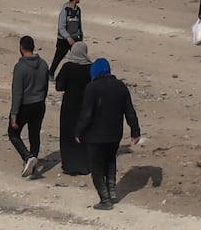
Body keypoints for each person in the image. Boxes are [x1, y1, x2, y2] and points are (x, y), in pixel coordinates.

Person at [75, 58, 141, 210]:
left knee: (96, 167)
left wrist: (78, 131)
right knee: (110, 161)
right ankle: (111, 192)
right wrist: (135, 131)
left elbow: (87, 114)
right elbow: (130, 111)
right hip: (114, 133)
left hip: (96, 135)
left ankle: (105, 199)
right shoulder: (120, 86)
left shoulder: (92, 87)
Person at [9, 36, 48, 179]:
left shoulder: (20, 67)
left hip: (25, 105)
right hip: (39, 104)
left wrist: (14, 115)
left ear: (21, 47)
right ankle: (32, 165)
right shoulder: (43, 64)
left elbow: (17, 93)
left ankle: (27, 157)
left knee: (13, 133)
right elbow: (45, 87)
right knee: (34, 135)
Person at [53, 41, 93, 176]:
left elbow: (59, 86)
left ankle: (69, 166)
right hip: (86, 106)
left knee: (68, 135)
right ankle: (85, 165)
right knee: (84, 135)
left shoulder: (68, 67)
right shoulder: (91, 68)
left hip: (70, 106)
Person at [51, 0, 83, 76]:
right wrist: (68, 37)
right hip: (63, 39)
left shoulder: (78, 10)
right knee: (58, 58)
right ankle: (50, 74)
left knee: (80, 58)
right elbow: (61, 27)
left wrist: (81, 36)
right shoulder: (65, 10)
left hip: (75, 38)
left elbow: (79, 24)